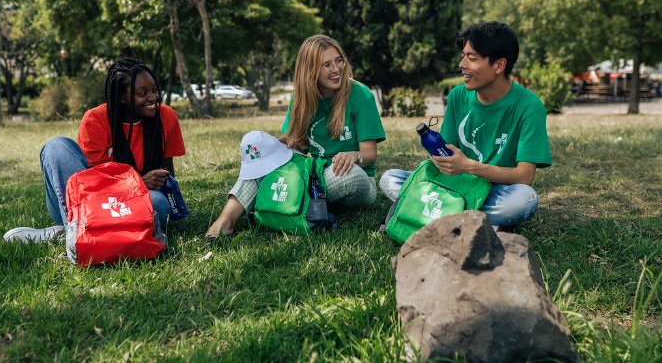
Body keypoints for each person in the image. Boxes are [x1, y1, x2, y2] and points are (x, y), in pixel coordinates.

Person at [205, 34, 384, 242]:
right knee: (260, 157)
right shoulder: (302, 97)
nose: (336, 69)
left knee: (347, 173)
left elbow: (370, 154)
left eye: (338, 60)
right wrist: (288, 146)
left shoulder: (361, 95)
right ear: (310, 71)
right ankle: (225, 222)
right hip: (314, 174)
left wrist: (354, 155)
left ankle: (275, 200)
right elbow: (300, 146)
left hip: (354, 179)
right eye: (326, 65)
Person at [379, 21, 551, 231]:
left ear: (499, 65)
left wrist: (469, 166)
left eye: (472, 58)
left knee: (524, 199)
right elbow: (447, 155)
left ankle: (436, 212)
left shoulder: (529, 106)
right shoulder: (457, 96)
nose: (462, 64)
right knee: (390, 179)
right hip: (456, 186)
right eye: (463, 56)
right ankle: (470, 219)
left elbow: (524, 177)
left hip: (494, 192)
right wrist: (444, 162)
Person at [4, 58, 185, 243]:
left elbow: (168, 174)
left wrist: (170, 202)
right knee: (56, 146)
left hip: (130, 207)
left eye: (154, 90)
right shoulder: (96, 120)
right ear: (121, 97)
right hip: (86, 204)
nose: (153, 98)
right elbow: (91, 186)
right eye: (142, 93)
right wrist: (138, 183)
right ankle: (80, 231)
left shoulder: (166, 116)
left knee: (159, 203)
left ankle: (70, 234)